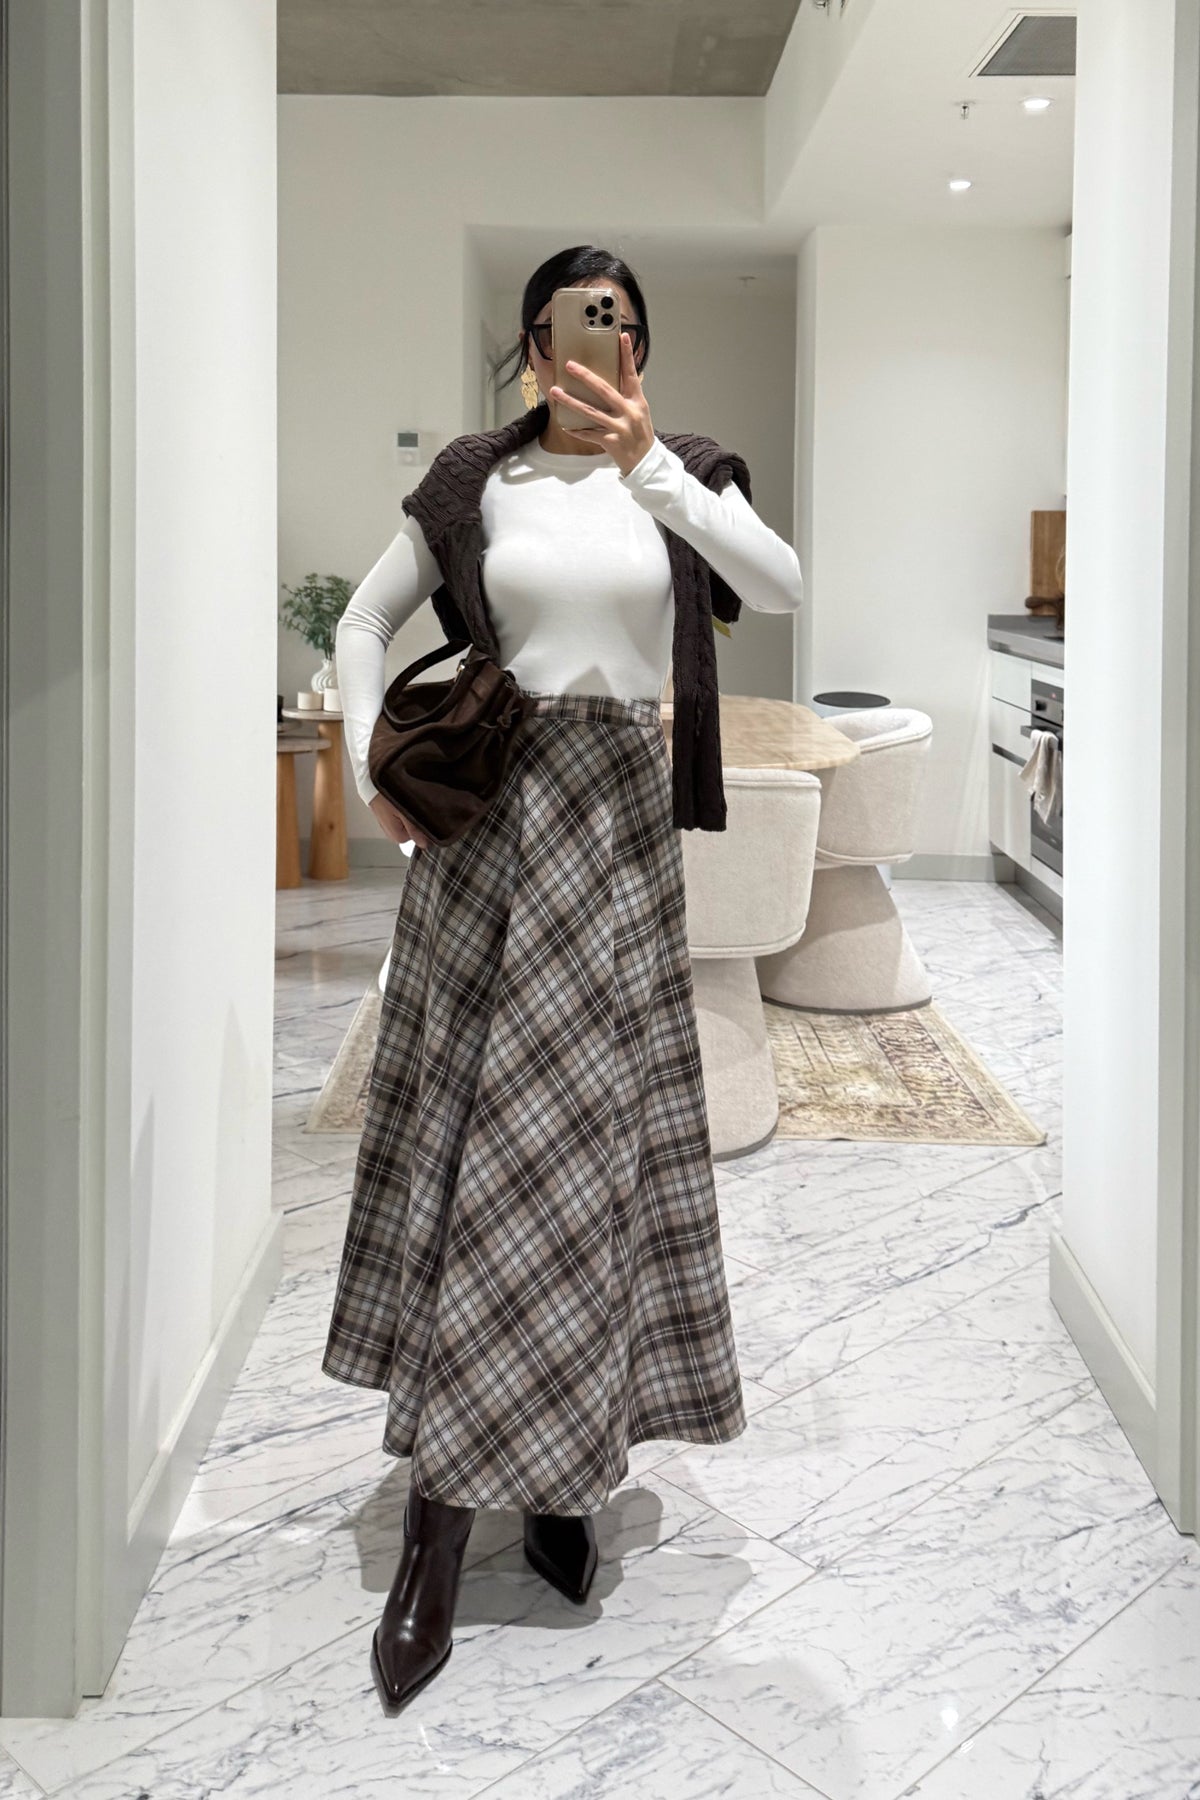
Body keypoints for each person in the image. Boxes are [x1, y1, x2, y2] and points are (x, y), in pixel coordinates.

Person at [320, 245, 804, 1715]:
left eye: (624, 328)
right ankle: (436, 1525)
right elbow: (360, 621)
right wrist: (370, 770)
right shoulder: (476, 482)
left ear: (638, 348)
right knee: (476, 1152)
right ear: (534, 348)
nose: (601, 348)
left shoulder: (685, 472)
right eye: (577, 327)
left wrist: (655, 466)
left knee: (584, 1162)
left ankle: (560, 1476)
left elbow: (778, 585)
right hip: (487, 839)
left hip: (615, 846)